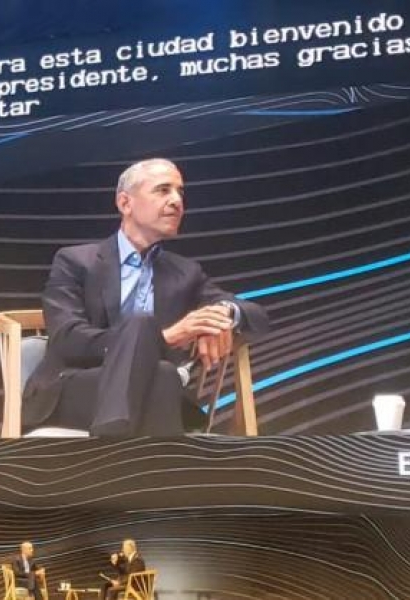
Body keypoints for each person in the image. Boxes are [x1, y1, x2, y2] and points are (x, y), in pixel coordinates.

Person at [23, 158, 269, 436]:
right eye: (163, 190)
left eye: (180, 192)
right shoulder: (75, 261)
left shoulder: (185, 273)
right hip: (73, 389)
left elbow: (256, 315)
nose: (177, 201)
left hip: (156, 389)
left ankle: (114, 438)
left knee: (164, 376)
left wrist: (223, 314)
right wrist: (165, 337)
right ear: (125, 203)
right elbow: (67, 339)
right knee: (141, 328)